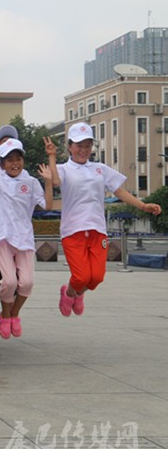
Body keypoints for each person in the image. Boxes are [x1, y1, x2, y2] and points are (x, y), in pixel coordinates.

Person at [47, 123, 161, 316]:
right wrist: (51, 156)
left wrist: (143, 205)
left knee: (97, 278)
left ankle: (79, 294)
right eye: (79, 145)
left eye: (87, 146)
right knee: (81, 276)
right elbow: (56, 181)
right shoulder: (63, 169)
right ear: (70, 146)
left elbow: (119, 191)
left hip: (97, 229)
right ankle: (68, 294)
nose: (83, 150)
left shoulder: (99, 169)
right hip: (73, 230)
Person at [0, 139, 46, 339]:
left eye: (18, 159)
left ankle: (14, 314)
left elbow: (47, 204)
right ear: (3, 163)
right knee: (9, 282)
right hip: (3, 238)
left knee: (27, 283)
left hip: (25, 239)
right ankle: (5, 315)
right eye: (9, 160)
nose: (15, 163)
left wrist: (49, 182)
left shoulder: (30, 182)